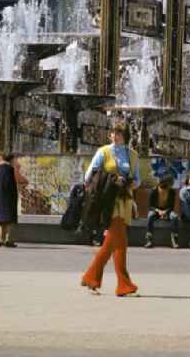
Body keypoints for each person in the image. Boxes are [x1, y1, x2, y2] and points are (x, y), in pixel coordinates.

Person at [80, 120, 140, 296]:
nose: (115, 135)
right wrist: (109, 181)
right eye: (113, 132)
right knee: (116, 242)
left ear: (125, 135)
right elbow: (89, 175)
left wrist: (129, 183)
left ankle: (99, 280)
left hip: (125, 200)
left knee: (118, 243)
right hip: (108, 201)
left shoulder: (133, 155)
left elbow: (137, 179)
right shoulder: (103, 152)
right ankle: (114, 282)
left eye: (119, 132)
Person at [145, 173, 179, 249]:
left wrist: (165, 212)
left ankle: (174, 240)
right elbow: (150, 206)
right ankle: (149, 240)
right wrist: (158, 211)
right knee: (150, 215)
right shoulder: (154, 190)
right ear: (165, 183)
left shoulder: (172, 192)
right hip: (156, 211)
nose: (172, 185)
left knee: (175, 217)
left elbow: (171, 207)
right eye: (171, 183)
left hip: (167, 211)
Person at [0, 153, 19, 247]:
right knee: (9, 220)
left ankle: (0, 239)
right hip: (8, 197)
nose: (14, 161)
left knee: (1, 220)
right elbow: (9, 184)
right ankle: (8, 239)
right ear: (10, 160)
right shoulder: (9, 169)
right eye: (13, 159)